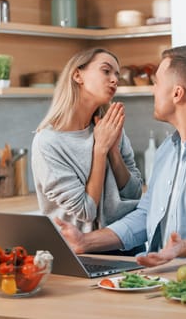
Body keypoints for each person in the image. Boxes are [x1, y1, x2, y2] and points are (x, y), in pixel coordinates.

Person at [55, 45, 186, 267]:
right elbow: (147, 216)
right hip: (166, 286)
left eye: (156, 83)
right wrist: (85, 241)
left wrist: (185, 247)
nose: (152, 90)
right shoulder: (168, 150)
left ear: (177, 93)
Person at [31, 47, 143, 240]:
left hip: (123, 244)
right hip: (78, 253)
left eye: (117, 74)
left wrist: (113, 152)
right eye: (106, 71)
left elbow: (134, 194)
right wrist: (100, 150)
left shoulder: (110, 128)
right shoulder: (48, 142)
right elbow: (85, 211)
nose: (115, 79)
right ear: (77, 75)